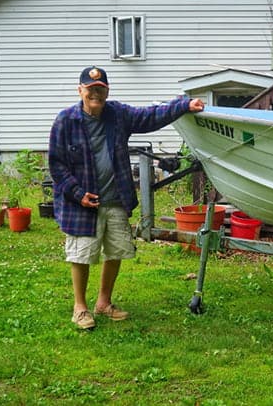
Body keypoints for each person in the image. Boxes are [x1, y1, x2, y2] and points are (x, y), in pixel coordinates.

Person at [48, 66, 204, 330]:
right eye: (90, 89)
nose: (95, 94)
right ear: (80, 91)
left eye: (100, 89)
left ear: (107, 92)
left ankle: (103, 303)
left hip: (115, 198)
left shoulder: (118, 114)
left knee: (115, 250)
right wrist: (77, 193)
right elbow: (57, 165)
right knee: (81, 255)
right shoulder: (65, 120)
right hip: (82, 203)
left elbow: (150, 116)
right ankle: (80, 307)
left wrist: (184, 105)